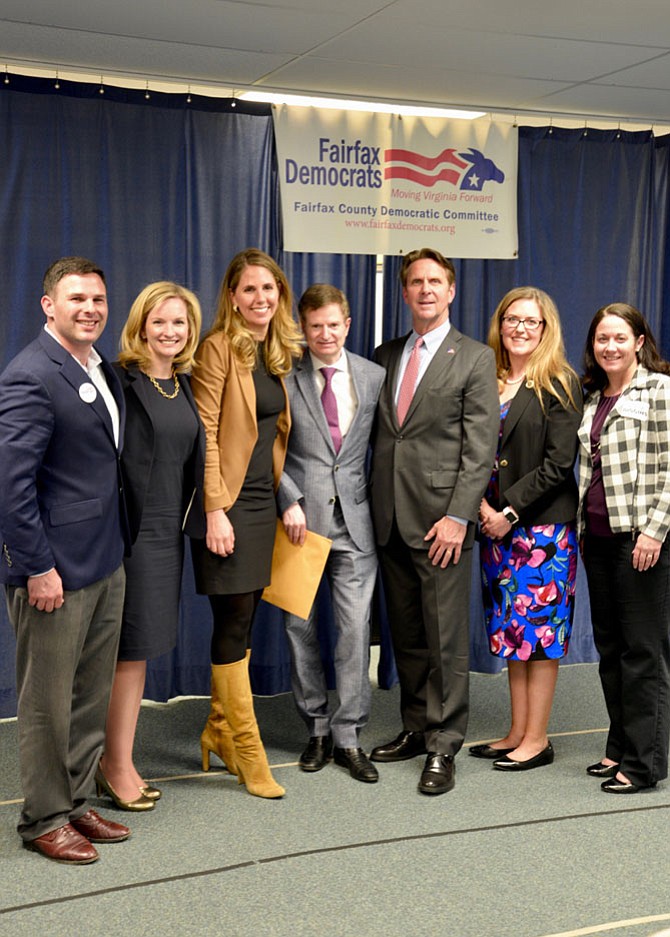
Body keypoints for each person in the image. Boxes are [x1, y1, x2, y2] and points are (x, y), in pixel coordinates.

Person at [0, 257, 131, 863]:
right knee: (47, 701)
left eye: (99, 299)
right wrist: (36, 567)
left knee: (86, 694)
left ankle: (76, 802)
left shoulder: (96, 365)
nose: (91, 309)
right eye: (77, 298)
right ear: (48, 304)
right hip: (53, 570)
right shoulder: (32, 373)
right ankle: (43, 817)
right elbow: (10, 484)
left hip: (104, 558)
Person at [369, 247, 499, 795]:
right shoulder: (384, 353)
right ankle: (417, 727)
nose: (425, 290)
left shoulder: (474, 358)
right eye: (416, 282)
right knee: (409, 636)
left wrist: (457, 517)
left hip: (441, 523)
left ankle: (444, 746)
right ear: (405, 292)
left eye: (435, 282)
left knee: (446, 641)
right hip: (390, 517)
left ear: (450, 291)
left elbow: (479, 447)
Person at [190, 248, 303, 799]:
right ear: (232, 297)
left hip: (263, 505)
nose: (261, 298)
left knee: (247, 619)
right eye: (250, 289)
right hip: (228, 507)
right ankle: (248, 749)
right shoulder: (216, 350)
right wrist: (214, 510)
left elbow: (272, 439)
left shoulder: (274, 354)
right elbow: (206, 432)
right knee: (233, 622)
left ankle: (217, 728)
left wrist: (287, 499)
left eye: (270, 289)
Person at [96, 282, 206, 811]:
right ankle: (113, 764)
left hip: (167, 538)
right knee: (124, 653)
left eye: (179, 323)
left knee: (137, 653)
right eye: (159, 322)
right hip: (128, 535)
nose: (169, 332)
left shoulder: (182, 384)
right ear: (141, 326)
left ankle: (116, 757)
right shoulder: (119, 381)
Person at [469, 287, 582, 771]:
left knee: (542, 637)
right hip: (493, 531)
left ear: (545, 329)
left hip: (541, 535)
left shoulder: (559, 382)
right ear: (500, 324)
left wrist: (507, 512)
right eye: (512, 319)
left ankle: (537, 739)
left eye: (530, 322)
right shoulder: (487, 380)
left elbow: (559, 464)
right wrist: (478, 505)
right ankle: (516, 730)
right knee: (514, 634)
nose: (519, 328)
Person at [278, 284, 385, 783]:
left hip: (357, 525)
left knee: (355, 632)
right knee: (299, 631)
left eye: (333, 324)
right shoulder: (284, 375)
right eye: (315, 325)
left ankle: (348, 736)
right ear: (303, 327)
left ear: (347, 323)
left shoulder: (373, 376)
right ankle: (316, 728)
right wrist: (288, 499)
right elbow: (266, 445)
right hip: (300, 524)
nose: (325, 334)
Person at [578, 302, 670, 794]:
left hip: (641, 542)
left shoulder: (659, 390)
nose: (609, 346)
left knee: (643, 653)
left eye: (619, 337)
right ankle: (619, 747)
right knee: (611, 651)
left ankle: (644, 764)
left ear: (638, 342)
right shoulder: (594, 397)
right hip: (598, 538)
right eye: (601, 338)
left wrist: (654, 531)